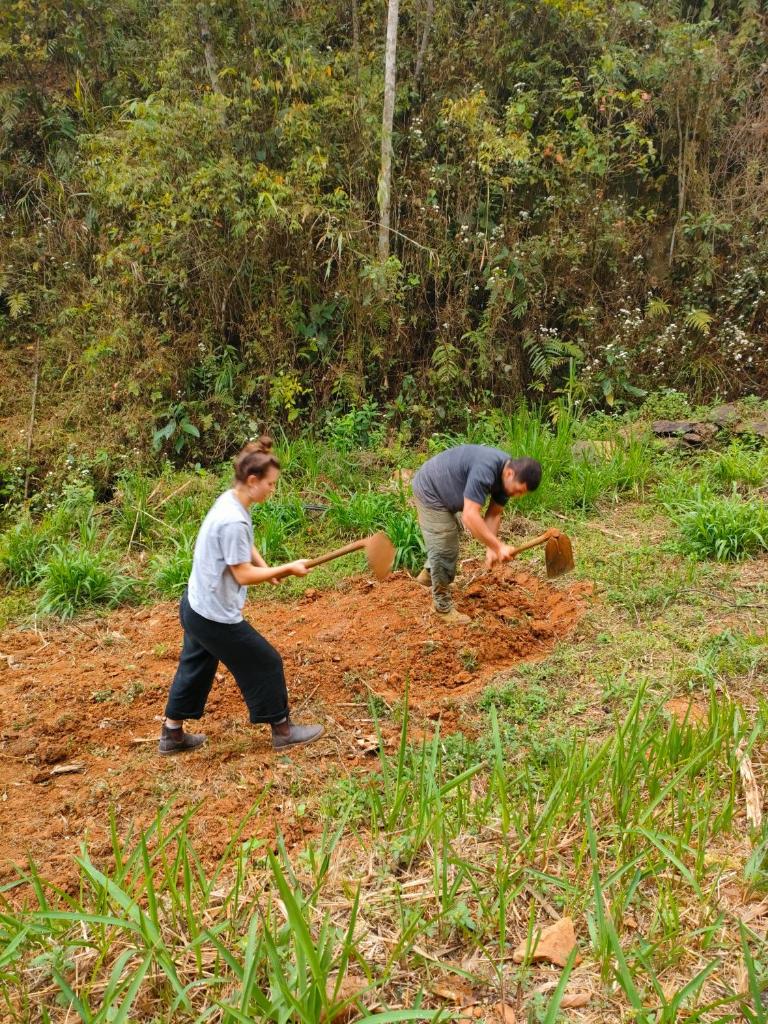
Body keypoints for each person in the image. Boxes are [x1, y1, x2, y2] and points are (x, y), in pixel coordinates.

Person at [158, 437, 324, 754]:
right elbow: (242, 574)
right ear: (252, 480)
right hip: (214, 615)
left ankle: (171, 735)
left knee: (196, 667)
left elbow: (243, 548)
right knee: (266, 662)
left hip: (196, 604)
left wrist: (267, 567)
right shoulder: (232, 519)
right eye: (270, 484)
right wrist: (286, 568)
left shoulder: (231, 501)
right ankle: (283, 731)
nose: (273, 490)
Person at [411, 444, 542, 624]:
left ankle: (428, 577)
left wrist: (491, 548)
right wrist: (498, 546)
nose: (517, 495)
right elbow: (469, 516)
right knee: (444, 544)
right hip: (430, 490)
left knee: (447, 541)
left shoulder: (506, 480)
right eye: (519, 490)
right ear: (510, 473)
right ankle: (442, 607)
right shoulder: (486, 468)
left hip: (446, 491)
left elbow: (494, 514)